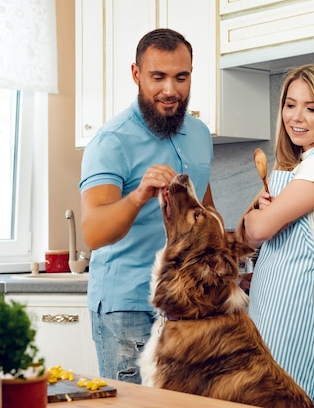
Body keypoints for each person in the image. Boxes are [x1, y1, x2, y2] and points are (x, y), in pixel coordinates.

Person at [78, 28, 214, 384]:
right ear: (136, 75)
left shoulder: (200, 134)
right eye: (158, 77)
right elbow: (93, 233)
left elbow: (205, 215)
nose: (170, 90)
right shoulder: (111, 141)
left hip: (188, 306)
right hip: (129, 308)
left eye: (180, 77)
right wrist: (139, 195)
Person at [238, 63, 314, 405]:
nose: (296, 117)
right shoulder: (298, 166)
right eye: (290, 104)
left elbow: (257, 229)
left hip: (297, 303)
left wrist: (258, 217)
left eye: (311, 107)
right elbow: (249, 241)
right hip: (268, 301)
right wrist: (260, 212)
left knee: (283, 398)